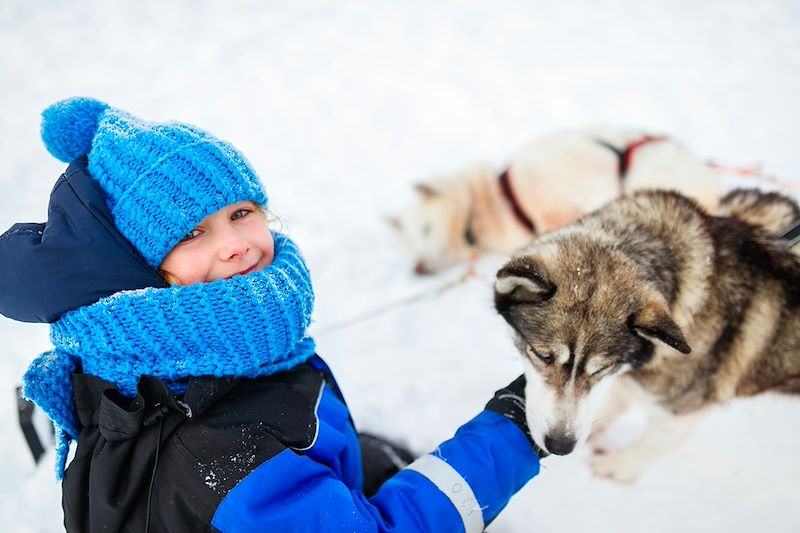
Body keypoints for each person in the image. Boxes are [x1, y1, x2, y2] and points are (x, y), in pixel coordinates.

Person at [0, 97, 544, 532]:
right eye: (190, 233)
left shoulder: (190, 356)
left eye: (241, 213)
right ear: (135, 271)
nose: (236, 244)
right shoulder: (223, 455)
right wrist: (517, 427)